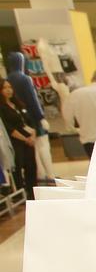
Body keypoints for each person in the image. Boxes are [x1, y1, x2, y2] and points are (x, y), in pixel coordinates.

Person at [5, 51, 52, 184]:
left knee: (33, 149)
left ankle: (41, 173)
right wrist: (41, 117)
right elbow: (33, 99)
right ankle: (49, 174)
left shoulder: (8, 80)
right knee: (43, 145)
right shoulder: (25, 78)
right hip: (33, 117)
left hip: (20, 119)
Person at [0, 79, 38, 199]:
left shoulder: (18, 105)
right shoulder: (2, 108)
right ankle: (20, 196)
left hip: (29, 141)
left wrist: (32, 135)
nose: (8, 90)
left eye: (10, 87)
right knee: (18, 169)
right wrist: (24, 139)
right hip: (16, 143)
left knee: (31, 167)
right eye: (5, 88)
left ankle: (33, 193)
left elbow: (28, 122)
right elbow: (9, 128)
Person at [68, 69, 96, 156]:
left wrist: (75, 130)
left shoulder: (75, 94)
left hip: (87, 138)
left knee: (95, 166)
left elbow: (67, 116)